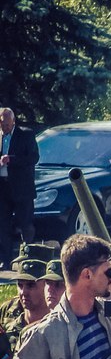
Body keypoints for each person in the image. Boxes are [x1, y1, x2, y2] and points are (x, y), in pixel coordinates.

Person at [0, 108, 40, 267]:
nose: (4, 127)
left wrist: (12, 160)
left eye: (7, 124)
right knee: (3, 224)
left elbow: (34, 157)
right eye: (2, 124)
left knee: (25, 223)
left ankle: (27, 259)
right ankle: (5, 260)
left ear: (13, 122)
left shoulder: (26, 134)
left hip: (22, 187)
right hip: (3, 187)